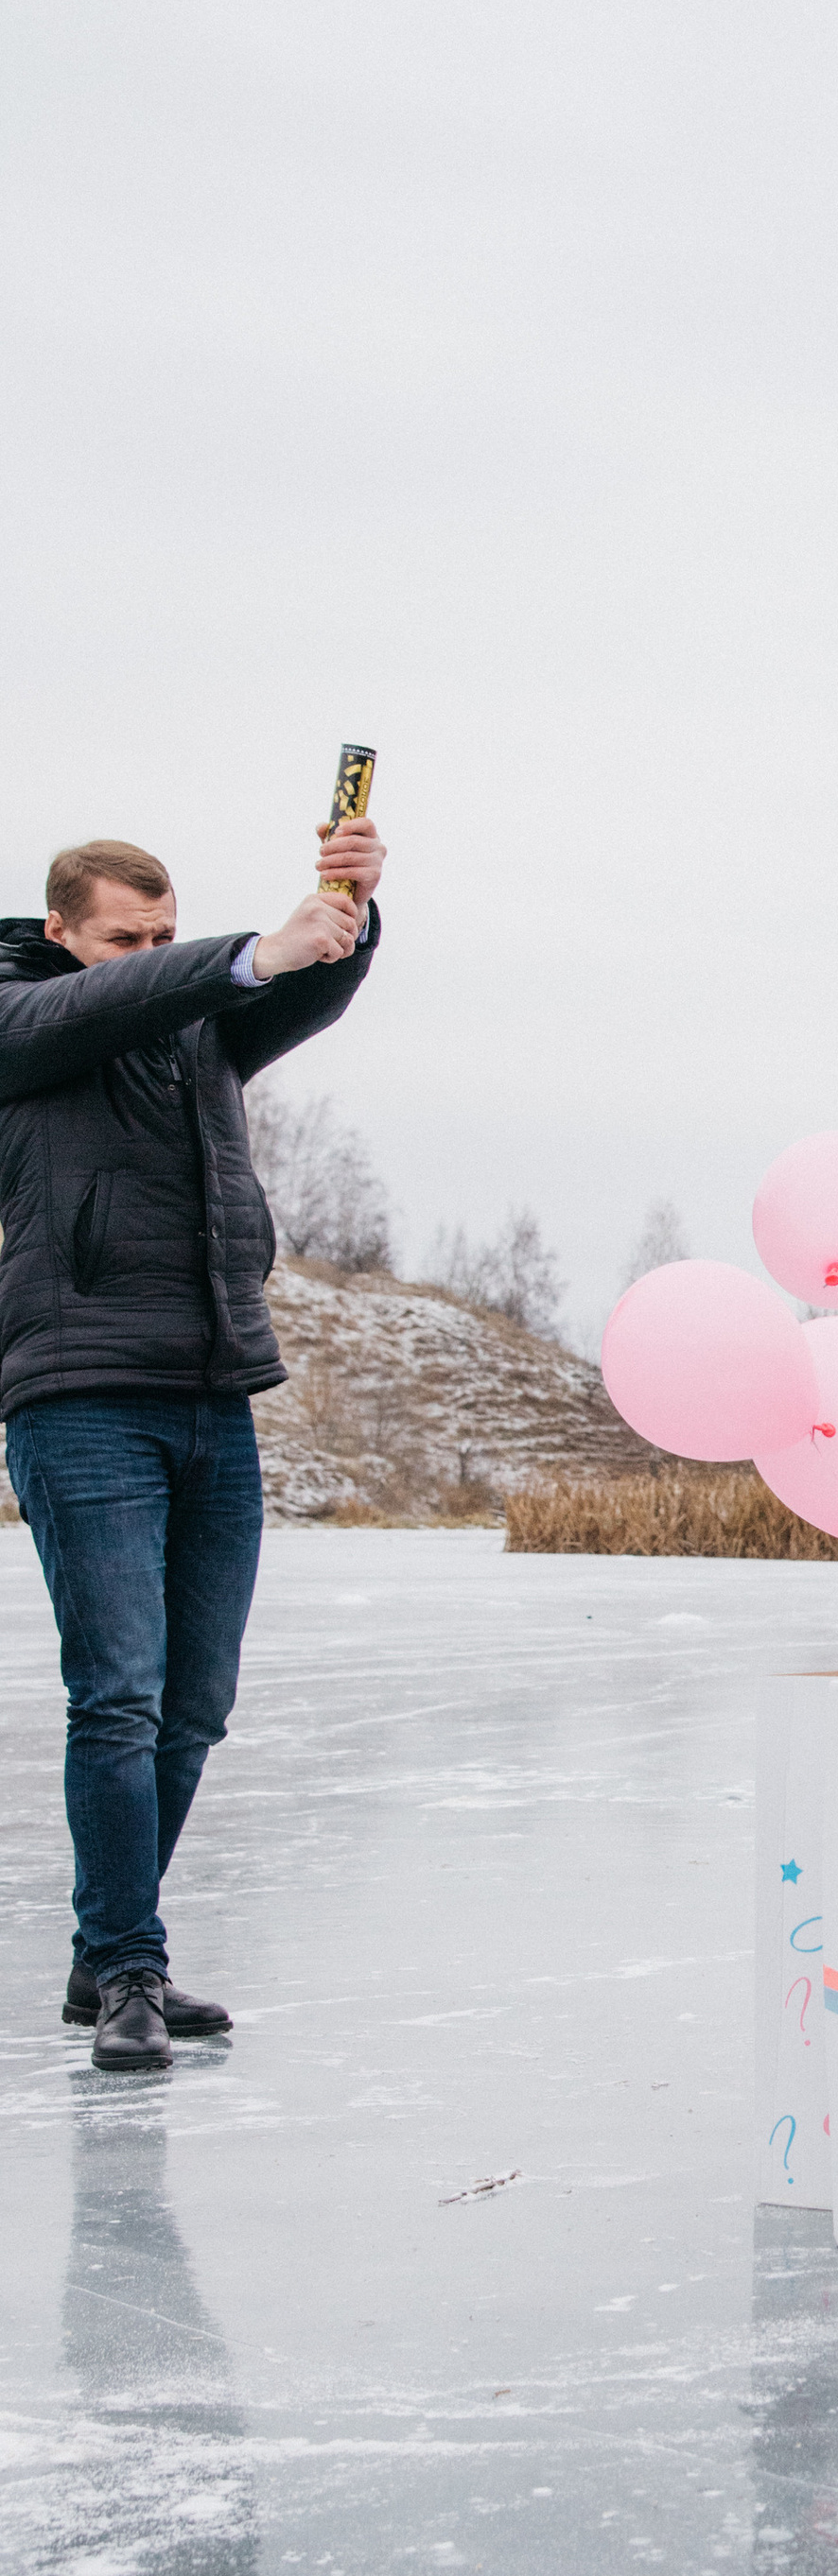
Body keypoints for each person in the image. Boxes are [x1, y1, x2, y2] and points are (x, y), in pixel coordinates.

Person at [0, 815, 387, 2072]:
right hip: (83, 1398)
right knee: (116, 1696)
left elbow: (300, 985)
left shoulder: (197, 1024)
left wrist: (348, 910)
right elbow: (98, 1011)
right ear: (62, 934)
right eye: (125, 939)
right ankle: (127, 1966)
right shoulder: (27, 1019)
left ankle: (106, 1946)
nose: (146, 957)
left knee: (194, 1706)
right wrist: (240, 954)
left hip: (216, 1395)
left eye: (165, 937)